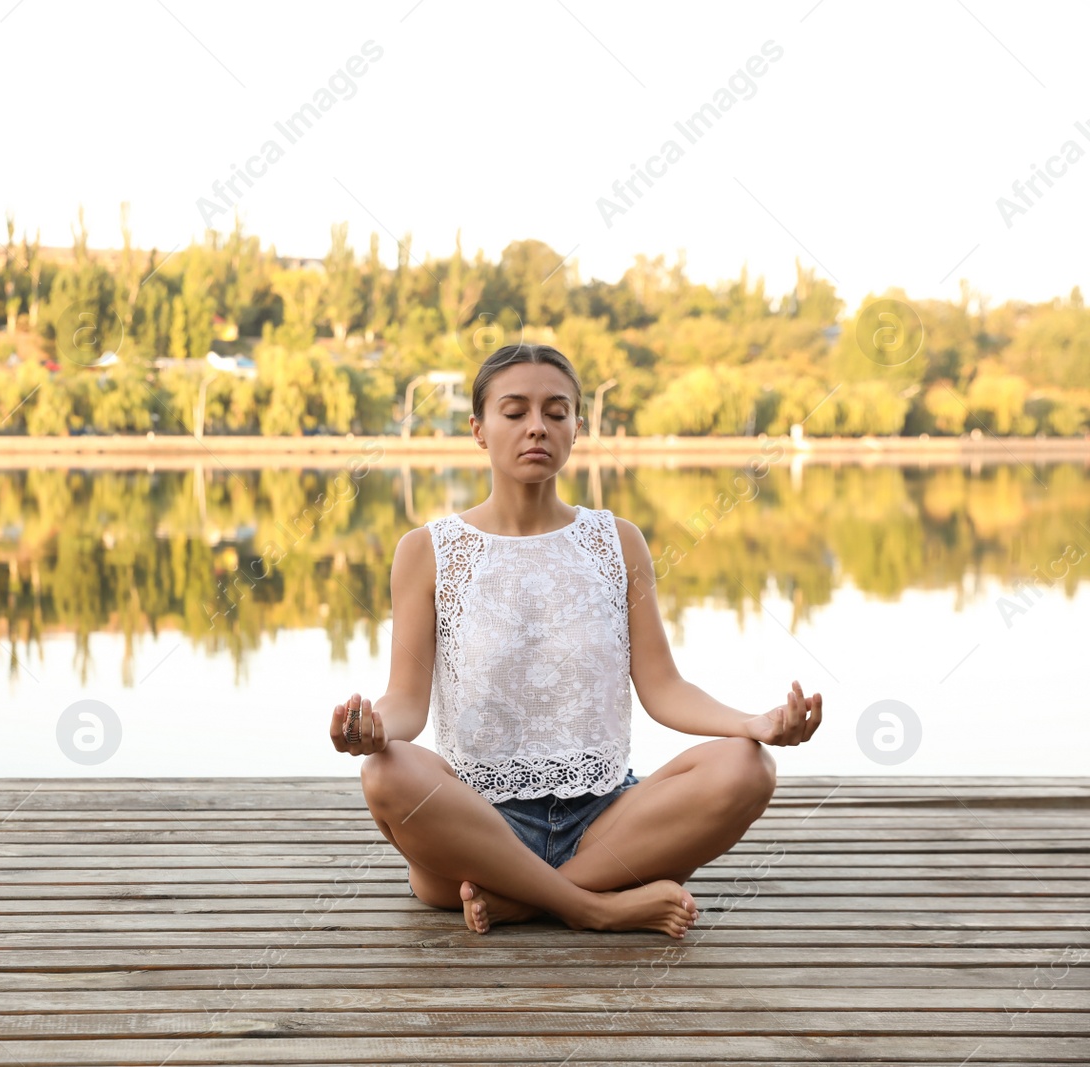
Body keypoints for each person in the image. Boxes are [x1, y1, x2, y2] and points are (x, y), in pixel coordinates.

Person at [331, 343, 822, 939]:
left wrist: (756, 723)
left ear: (577, 428)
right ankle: (596, 906)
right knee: (386, 774)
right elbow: (405, 703)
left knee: (748, 768)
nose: (537, 426)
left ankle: (526, 901)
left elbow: (664, 688)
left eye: (556, 412)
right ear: (479, 430)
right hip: (478, 826)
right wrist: (372, 729)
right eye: (514, 412)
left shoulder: (617, 541)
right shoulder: (426, 550)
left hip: (608, 821)